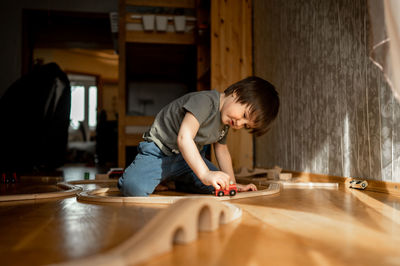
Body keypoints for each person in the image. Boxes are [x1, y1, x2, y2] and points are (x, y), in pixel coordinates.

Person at [118, 76, 280, 196]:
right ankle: (149, 174)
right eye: (244, 115)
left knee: (219, 186)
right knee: (133, 188)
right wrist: (204, 174)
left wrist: (232, 183)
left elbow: (222, 151)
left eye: (246, 125)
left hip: (188, 161)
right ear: (236, 93)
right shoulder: (205, 102)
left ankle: (172, 181)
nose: (239, 124)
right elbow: (184, 138)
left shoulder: (226, 122)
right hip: (160, 153)